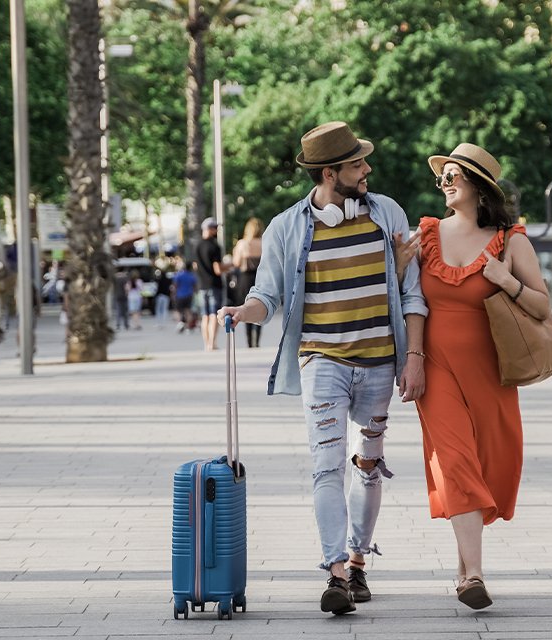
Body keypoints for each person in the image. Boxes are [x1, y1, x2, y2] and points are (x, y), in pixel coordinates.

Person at [216, 121, 427, 615]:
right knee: (325, 466)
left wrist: (413, 358)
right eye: (357, 164)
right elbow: (266, 294)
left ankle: (358, 563)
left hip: (379, 362)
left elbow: (412, 294)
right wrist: (245, 311)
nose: (367, 169)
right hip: (322, 361)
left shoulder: (387, 215)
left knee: (368, 467)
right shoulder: (285, 227)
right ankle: (335, 573)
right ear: (330, 174)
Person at [403, 143, 549, 610]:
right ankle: (474, 576)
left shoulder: (511, 240)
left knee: (491, 462)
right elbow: (414, 303)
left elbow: (543, 307)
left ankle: (464, 566)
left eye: (453, 176)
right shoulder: (425, 234)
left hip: (492, 370)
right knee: (456, 460)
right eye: (442, 176)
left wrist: (505, 279)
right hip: (436, 366)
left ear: (477, 185)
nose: (444, 183)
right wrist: (414, 357)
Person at [195, 218, 230, 350]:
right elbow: (218, 269)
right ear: (209, 229)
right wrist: (230, 265)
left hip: (202, 285)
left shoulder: (197, 246)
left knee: (205, 316)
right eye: (214, 228)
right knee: (214, 314)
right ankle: (212, 343)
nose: (216, 230)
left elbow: (195, 265)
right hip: (214, 284)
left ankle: (206, 344)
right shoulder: (214, 246)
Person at [231, 217, 265, 347]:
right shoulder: (264, 242)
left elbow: (236, 263)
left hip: (245, 278)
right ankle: (257, 341)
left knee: (246, 307)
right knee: (261, 305)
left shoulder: (243, 244)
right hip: (260, 278)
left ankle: (250, 341)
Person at [171, 262, 198, 333]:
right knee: (188, 311)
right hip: (189, 295)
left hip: (180, 295)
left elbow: (175, 285)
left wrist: (173, 294)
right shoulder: (192, 276)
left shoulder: (179, 275)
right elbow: (195, 287)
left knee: (178, 311)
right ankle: (188, 327)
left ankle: (180, 324)